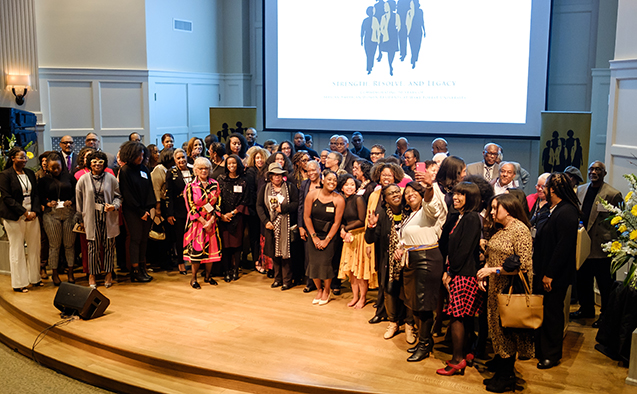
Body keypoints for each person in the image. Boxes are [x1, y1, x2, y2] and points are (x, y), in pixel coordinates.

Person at [477, 193, 534, 392]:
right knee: (496, 328)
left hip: (509, 289)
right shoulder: (503, 229)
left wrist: (492, 270)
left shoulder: (520, 230)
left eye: (495, 208)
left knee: (506, 330)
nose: (491, 212)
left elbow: (524, 265)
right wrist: (486, 269)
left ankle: (506, 376)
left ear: (508, 209)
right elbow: (494, 253)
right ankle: (501, 366)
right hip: (495, 288)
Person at [533, 172, 580, 369]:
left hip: (554, 274)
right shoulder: (552, 209)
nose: (543, 190)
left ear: (553, 189)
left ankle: (551, 354)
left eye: (546, 187)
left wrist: (549, 274)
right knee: (543, 311)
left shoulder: (567, 211)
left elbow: (563, 246)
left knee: (552, 313)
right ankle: (540, 349)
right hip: (543, 269)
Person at [437, 181, 484, 376]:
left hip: (463, 275)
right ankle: (466, 353)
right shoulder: (460, 216)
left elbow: (463, 251)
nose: (455, 197)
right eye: (455, 194)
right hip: (461, 272)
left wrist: (450, 272)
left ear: (470, 198)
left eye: (461, 195)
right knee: (463, 317)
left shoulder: (471, 218)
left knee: (457, 317)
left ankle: (457, 360)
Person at [398, 178, 446, 362]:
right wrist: (401, 248)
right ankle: (423, 341)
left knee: (424, 305)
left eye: (413, 192)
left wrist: (429, 187)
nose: (409, 195)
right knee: (416, 305)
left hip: (427, 259)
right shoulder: (412, 215)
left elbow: (432, 205)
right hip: (412, 260)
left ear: (421, 194)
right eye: (407, 193)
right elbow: (408, 237)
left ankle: (425, 344)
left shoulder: (427, 211)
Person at [573, 161, 623, 327]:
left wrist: (614, 243)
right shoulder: (580, 190)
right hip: (583, 244)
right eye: (591, 169)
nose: (594, 172)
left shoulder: (612, 194)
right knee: (583, 280)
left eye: (598, 170)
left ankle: (606, 316)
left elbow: (619, 221)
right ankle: (586, 309)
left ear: (604, 173)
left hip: (602, 247)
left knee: (605, 284)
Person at [366, 183, 414, 341]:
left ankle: (409, 325)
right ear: (385, 199)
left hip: (409, 259)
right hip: (388, 261)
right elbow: (371, 239)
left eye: (397, 192)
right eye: (391, 193)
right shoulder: (381, 214)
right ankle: (393, 323)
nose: (395, 195)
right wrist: (371, 226)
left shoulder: (410, 211)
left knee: (408, 293)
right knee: (389, 292)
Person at [366, 161, 406, 325]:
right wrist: (370, 226)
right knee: (384, 284)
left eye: (389, 174)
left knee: (402, 288)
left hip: (404, 254)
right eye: (383, 175)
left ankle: (402, 317)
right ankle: (383, 312)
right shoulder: (377, 202)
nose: (386, 177)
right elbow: (370, 232)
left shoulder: (407, 208)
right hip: (384, 251)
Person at [76, 150, 121, 289]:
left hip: (108, 215)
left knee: (108, 246)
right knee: (92, 247)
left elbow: (118, 196)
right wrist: (80, 217)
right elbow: (79, 199)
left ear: (104, 163)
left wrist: (114, 206)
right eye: (94, 162)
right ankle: (92, 274)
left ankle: (108, 273)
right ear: (89, 163)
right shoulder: (83, 179)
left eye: (100, 162)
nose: (97, 164)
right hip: (90, 216)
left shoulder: (111, 178)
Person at [0, 147, 42, 292]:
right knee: (17, 248)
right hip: (14, 216)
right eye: (21, 157)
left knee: (35, 247)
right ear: (12, 158)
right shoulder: (5, 175)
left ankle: (35, 278)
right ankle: (19, 283)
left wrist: (34, 211)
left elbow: (36, 194)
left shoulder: (30, 173)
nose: (25, 160)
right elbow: (7, 198)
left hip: (32, 214)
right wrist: (25, 213)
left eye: (25, 157)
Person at [304, 170, 345, 305]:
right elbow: (306, 217)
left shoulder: (338, 199)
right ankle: (319, 290)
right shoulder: (312, 195)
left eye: (334, 180)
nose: (332, 182)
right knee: (314, 264)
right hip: (313, 234)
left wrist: (326, 240)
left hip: (329, 236)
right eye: (329, 179)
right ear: (323, 180)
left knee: (325, 265)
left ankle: (327, 291)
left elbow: (337, 223)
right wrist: (314, 237)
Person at [257, 163, 299, 290]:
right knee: (275, 254)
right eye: (274, 175)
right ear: (270, 177)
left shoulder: (290, 188)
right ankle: (277, 278)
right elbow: (259, 206)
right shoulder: (264, 189)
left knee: (286, 254)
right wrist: (266, 221)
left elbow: (296, 204)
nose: (277, 177)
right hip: (271, 226)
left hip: (287, 226)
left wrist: (284, 208)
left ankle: (287, 280)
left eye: (279, 175)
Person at [118, 141, 156, 283]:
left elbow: (149, 190)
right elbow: (127, 194)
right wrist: (140, 211)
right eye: (138, 155)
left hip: (146, 210)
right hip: (133, 210)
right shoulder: (125, 170)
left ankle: (142, 268)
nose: (141, 158)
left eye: (142, 155)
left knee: (144, 240)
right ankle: (134, 270)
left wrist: (148, 209)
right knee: (136, 239)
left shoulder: (144, 169)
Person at [38, 152, 77, 285]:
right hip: (51, 214)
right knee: (54, 246)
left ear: (62, 165)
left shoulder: (69, 177)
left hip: (68, 213)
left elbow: (76, 194)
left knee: (69, 245)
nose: (55, 170)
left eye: (58, 167)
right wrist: (47, 203)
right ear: (47, 167)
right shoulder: (43, 180)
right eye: (52, 168)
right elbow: (40, 197)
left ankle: (71, 273)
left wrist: (71, 201)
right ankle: (55, 274)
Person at [337, 174, 375, 309]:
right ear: (341, 187)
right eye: (347, 185)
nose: (349, 187)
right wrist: (343, 228)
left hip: (359, 237)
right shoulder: (342, 200)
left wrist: (345, 228)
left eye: (352, 184)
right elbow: (343, 220)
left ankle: (363, 298)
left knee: (360, 271)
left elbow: (361, 220)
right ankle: (355, 296)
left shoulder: (358, 199)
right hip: (349, 237)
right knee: (352, 271)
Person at [183, 157, 222, 288]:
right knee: (196, 252)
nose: (204, 171)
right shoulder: (190, 186)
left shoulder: (215, 184)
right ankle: (193, 278)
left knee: (211, 250)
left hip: (211, 222)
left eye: (206, 168)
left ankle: (208, 276)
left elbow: (218, 204)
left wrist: (211, 221)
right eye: (201, 168)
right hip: (196, 223)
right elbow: (190, 207)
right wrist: (203, 220)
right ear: (195, 170)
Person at [217, 154, 249, 282]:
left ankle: (235, 270)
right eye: (229, 163)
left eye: (234, 163)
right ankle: (226, 271)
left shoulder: (243, 181)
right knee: (225, 246)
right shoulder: (221, 179)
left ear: (238, 165)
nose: (231, 165)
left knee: (236, 245)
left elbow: (245, 200)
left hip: (237, 217)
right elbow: (216, 198)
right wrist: (222, 216)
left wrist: (233, 213)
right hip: (222, 217)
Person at [165, 148, 193, 276]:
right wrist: (170, 213)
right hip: (178, 210)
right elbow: (169, 194)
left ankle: (194, 261)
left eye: (183, 157)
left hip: (193, 209)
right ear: (175, 160)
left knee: (193, 236)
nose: (181, 160)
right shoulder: (171, 172)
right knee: (180, 237)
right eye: (178, 158)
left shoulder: (193, 170)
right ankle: (181, 263)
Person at [245, 147, 270, 274]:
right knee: (255, 237)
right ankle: (257, 261)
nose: (260, 160)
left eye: (262, 157)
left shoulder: (268, 172)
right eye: (257, 158)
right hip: (254, 211)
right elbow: (251, 192)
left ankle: (266, 262)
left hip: (267, 210)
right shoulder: (250, 172)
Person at [299, 160, 323, 291]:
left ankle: (328, 283)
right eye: (309, 171)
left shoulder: (325, 183)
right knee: (309, 256)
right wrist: (301, 226)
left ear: (319, 169)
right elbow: (301, 206)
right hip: (308, 225)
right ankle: (311, 283)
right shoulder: (304, 184)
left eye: (314, 170)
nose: (311, 173)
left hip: (324, 225)